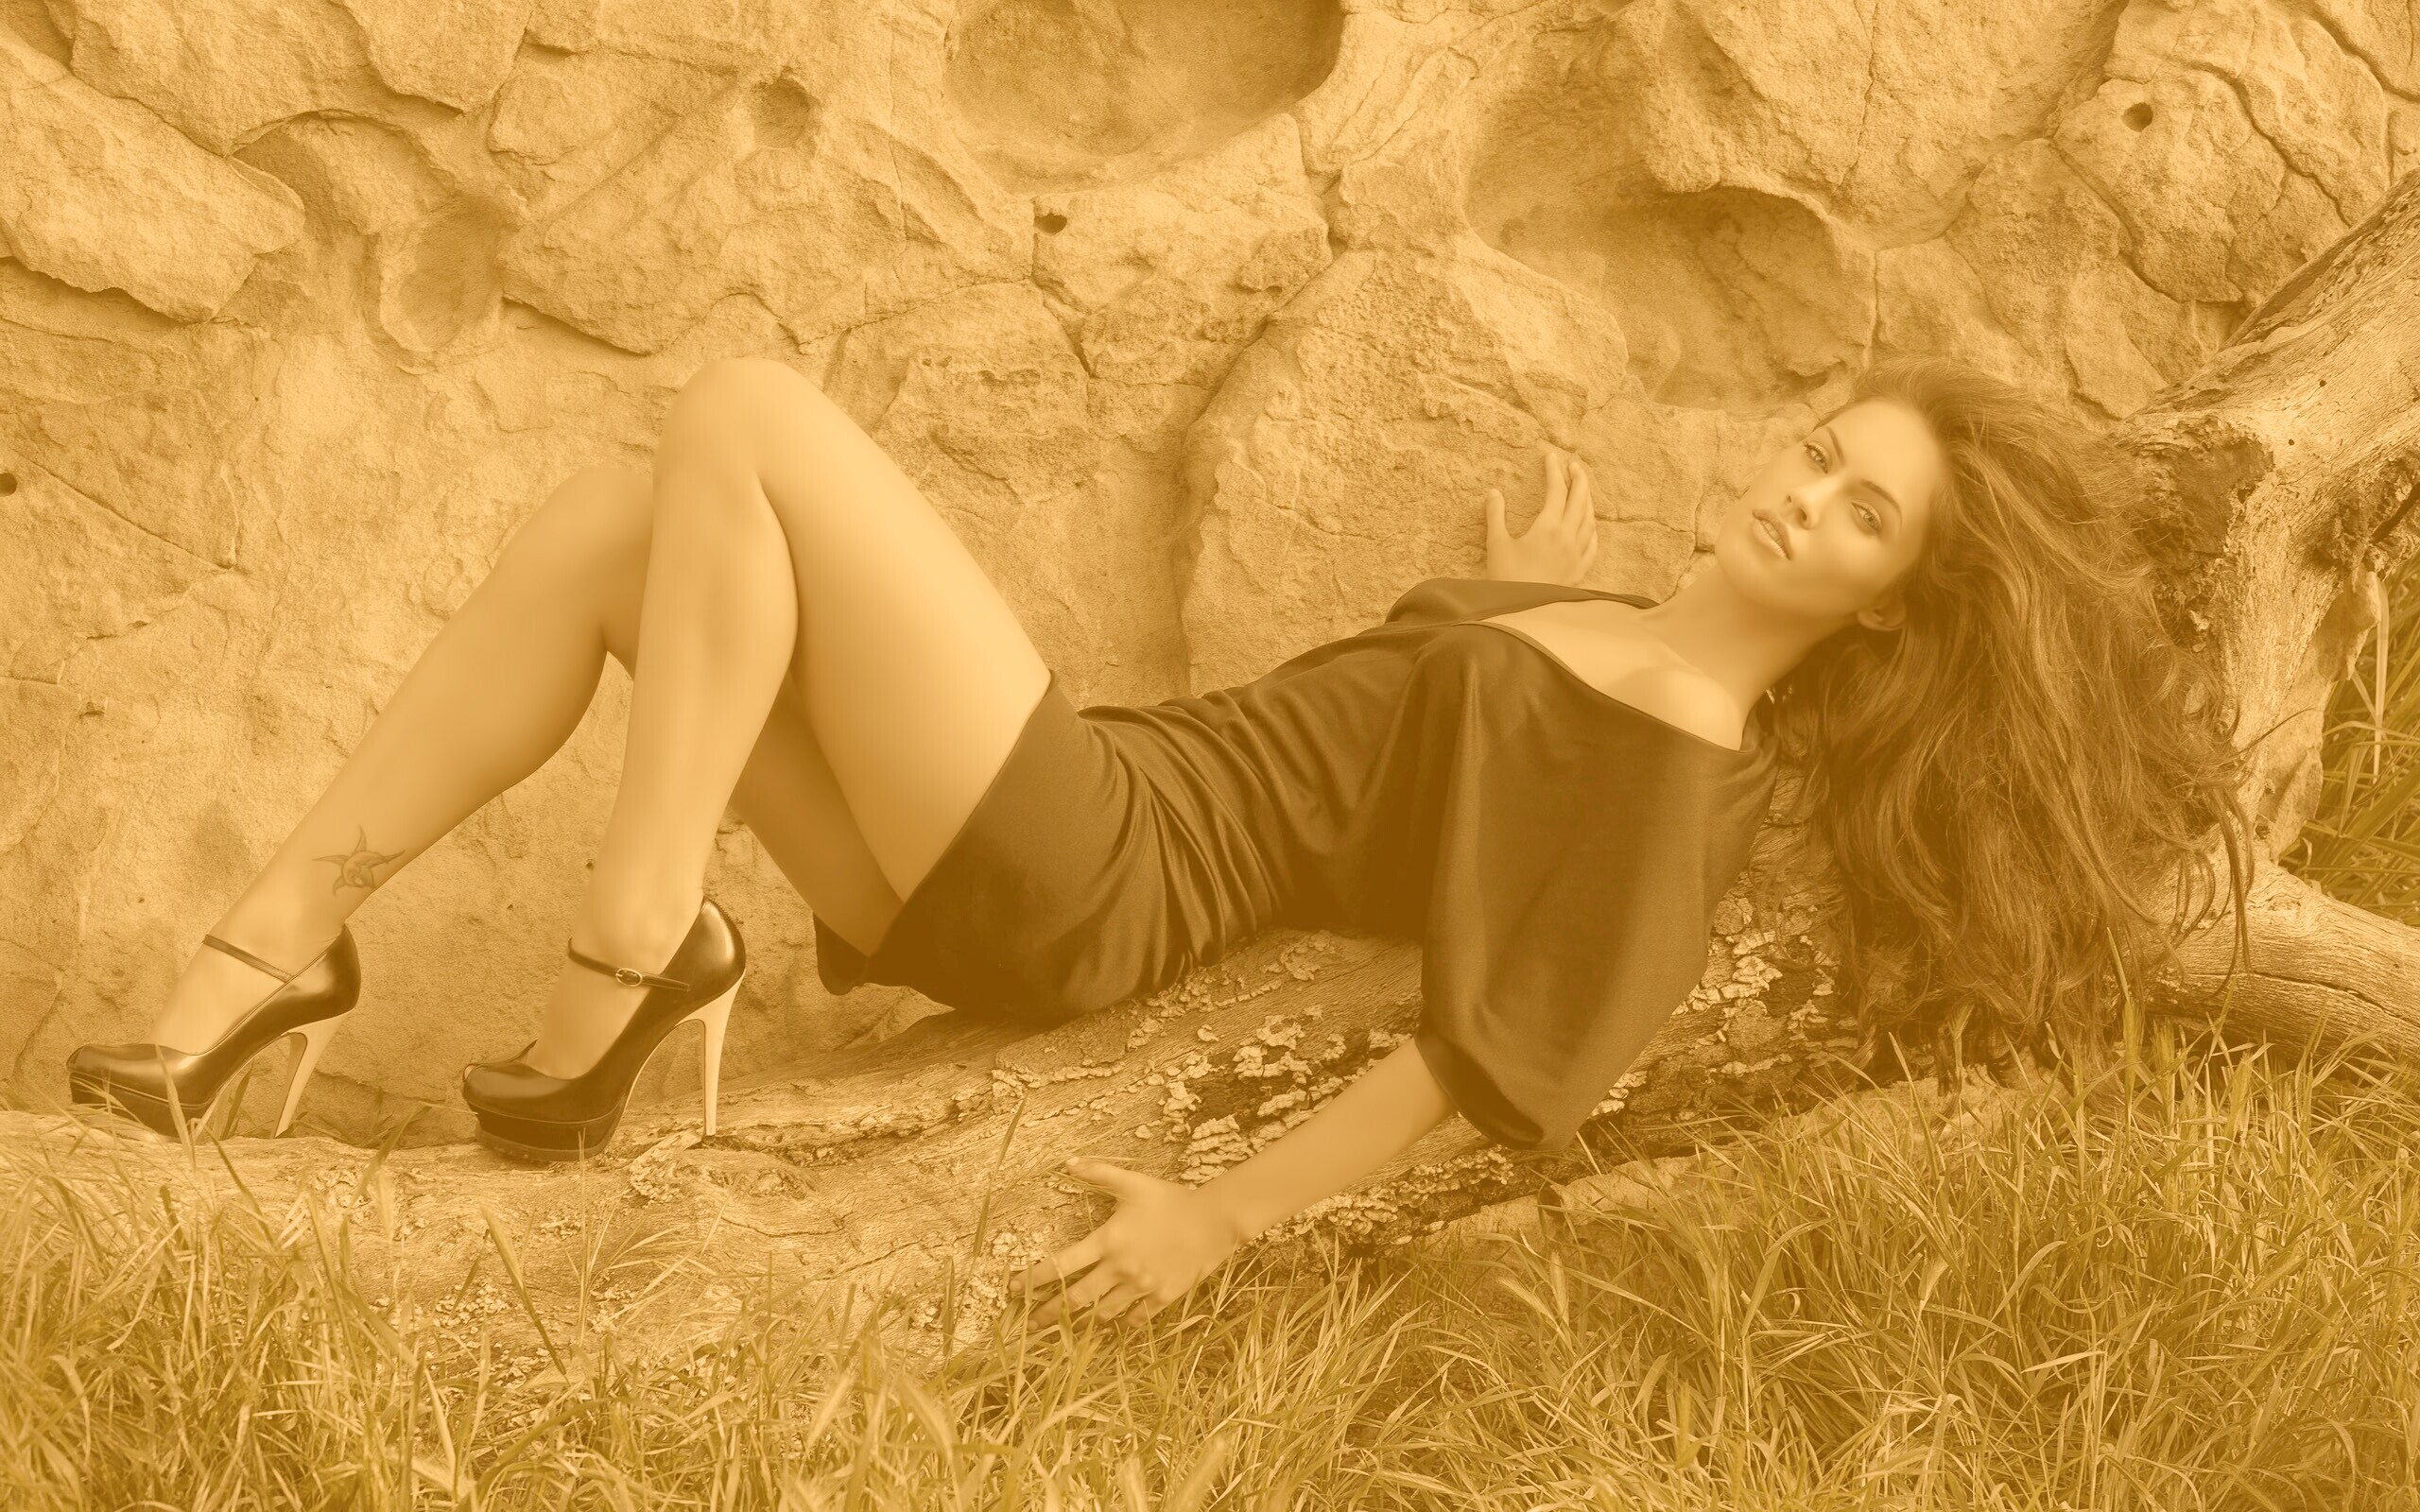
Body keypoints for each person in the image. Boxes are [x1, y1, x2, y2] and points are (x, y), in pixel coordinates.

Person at [64, 353, 2253, 1330]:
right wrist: (1514, 581)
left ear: (1889, 607)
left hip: (1101, 863)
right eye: (1819, 449)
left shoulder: (1685, 748)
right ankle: (285, 937)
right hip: (1063, 832)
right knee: (615, 526)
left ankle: (636, 936)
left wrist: (1216, 1216)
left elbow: (1502, 1052)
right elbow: (1431, 731)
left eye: (1859, 515)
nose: (1801, 495)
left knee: (743, 406)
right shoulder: (1601, 628)